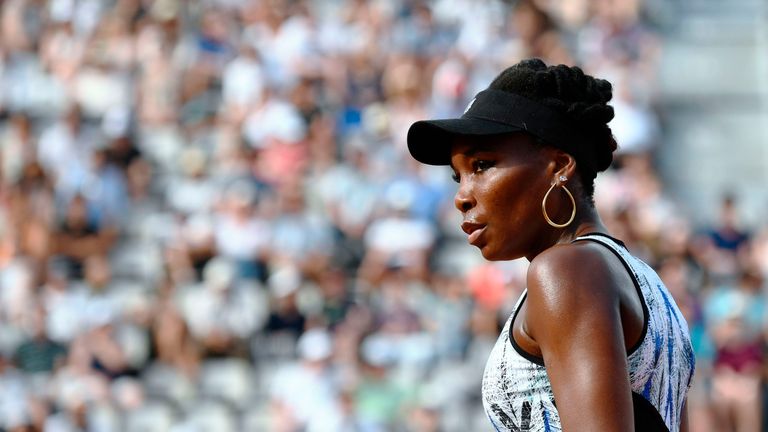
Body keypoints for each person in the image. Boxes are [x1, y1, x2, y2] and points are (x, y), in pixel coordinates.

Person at [406, 59, 695, 431]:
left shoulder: (564, 271)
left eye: (482, 165)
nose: (462, 196)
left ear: (559, 165)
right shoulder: (647, 281)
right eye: (457, 175)